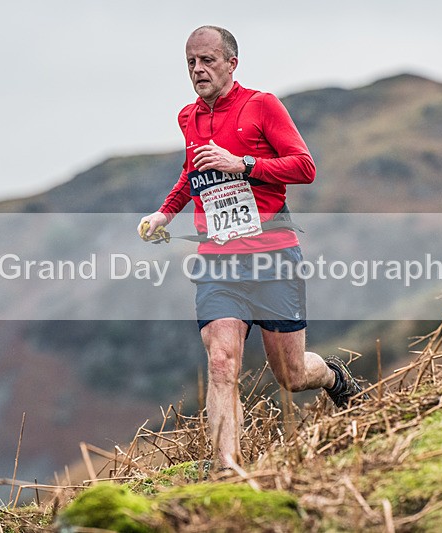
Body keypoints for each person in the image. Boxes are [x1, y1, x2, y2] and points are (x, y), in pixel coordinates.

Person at [138, 25, 362, 468]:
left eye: (207, 61)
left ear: (231, 63)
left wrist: (241, 163)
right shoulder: (188, 117)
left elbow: (304, 167)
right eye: (190, 63)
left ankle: (334, 377)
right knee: (222, 362)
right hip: (218, 263)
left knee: (292, 375)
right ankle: (228, 471)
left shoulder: (262, 105)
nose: (198, 70)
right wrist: (165, 212)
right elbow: (192, 173)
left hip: (273, 257)